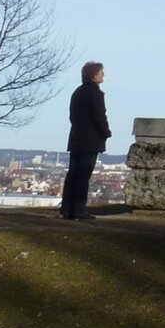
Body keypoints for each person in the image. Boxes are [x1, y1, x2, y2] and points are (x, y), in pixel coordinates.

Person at [61, 61, 111, 221]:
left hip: (76, 138)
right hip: (90, 140)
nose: (103, 75)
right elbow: (99, 116)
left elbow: (72, 116)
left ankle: (67, 209)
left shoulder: (77, 92)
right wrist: (106, 132)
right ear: (94, 75)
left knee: (73, 174)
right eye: (101, 72)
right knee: (83, 176)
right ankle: (79, 210)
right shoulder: (95, 94)